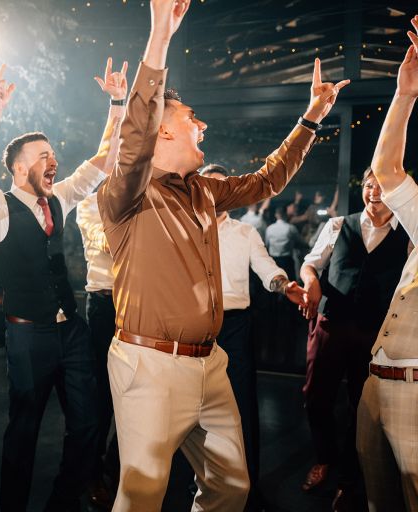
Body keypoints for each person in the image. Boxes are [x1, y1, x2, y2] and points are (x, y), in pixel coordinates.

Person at [96, 1, 348, 510]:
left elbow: (267, 179)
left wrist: (312, 118)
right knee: (141, 496)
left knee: (232, 485)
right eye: (193, 118)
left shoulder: (205, 192)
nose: (203, 125)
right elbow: (135, 132)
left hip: (211, 362)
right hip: (150, 364)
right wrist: (160, 35)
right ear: (164, 129)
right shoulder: (127, 191)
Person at [0, 57, 127, 511]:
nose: (52, 160)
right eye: (43, 156)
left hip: (71, 330)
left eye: (52, 154)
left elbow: (105, 160)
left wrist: (117, 104)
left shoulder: (59, 197)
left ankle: (62, 501)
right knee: (24, 430)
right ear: (19, 168)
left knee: (89, 422)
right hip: (27, 336)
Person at [298, 168, 408, 511]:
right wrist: (311, 281)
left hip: (375, 333)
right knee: (315, 397)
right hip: (330, 325)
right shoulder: (337, 225)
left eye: (382, 186)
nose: (373, 192)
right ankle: (324, 457)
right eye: (369, 185)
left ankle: (348, 479)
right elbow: (310, 265)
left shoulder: (408, 234)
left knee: (361, 406)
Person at [200, 164, 307, 511]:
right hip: (194, 327)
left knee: (242, 407)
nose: (216, 193)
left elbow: (266, 268)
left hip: (234, 327)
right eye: (209, 186)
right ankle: (199, 483)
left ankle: (248, 490)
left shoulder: (245, 232)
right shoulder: (185, 229)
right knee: (191, 410)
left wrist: (284, 285)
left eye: (222, 187)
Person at [356, 21, 418, 512]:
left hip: (415, 394)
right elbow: (386, 171)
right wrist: (404, 95)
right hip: (376, 381)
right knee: (377, 501)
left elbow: (389, 173)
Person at [76, 191, 120, 509]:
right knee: (103, 392)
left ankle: (119, 465)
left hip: (142, 303)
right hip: (105, 303)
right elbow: (105, 241)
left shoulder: (146, 196)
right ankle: (92, 472)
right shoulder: (89, 203)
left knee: (142, 389)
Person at [265, 206, 306, 280]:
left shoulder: (269, 229)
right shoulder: (290, 228)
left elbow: (267, 245)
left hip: (273, 261)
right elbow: (300, 242)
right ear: (285, 214)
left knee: (276, 283)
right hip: (287, 261)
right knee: (289, 282)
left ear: (276, 215)